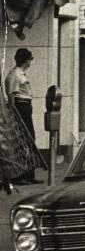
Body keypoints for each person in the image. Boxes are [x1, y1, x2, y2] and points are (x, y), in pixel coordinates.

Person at [5, 48, 40, 184]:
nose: (30, 62)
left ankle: (29, 175)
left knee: (29, 139)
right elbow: (11, 96)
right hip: (20, 108)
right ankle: (20, 176)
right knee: (22, 141)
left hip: (25, 107)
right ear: (26, 60)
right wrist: (15, 115)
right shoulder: (15, 75)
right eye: (30, 59)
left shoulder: (20, 74)